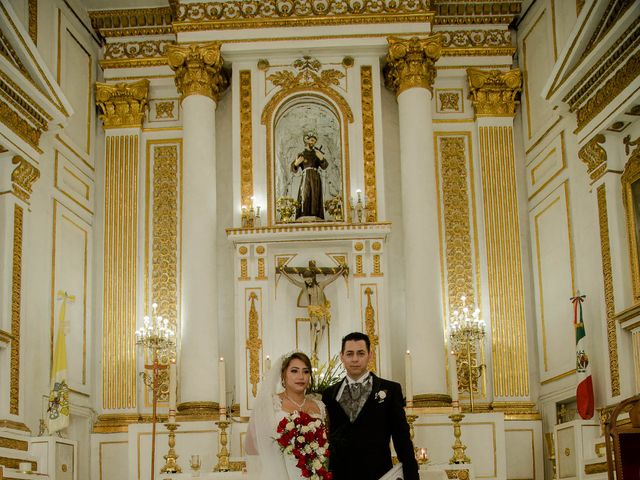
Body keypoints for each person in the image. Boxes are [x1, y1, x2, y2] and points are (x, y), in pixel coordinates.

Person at [322, 332, 420, 480]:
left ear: (370, 355)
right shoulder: (328, 394)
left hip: (379, 473)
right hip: (340, 474)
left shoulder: (390, 390)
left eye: (360, 353)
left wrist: (412, 476)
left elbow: (402, 439)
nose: (355, 359)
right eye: (349, 354)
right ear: (342, 356)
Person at [245, 352, 329, 479]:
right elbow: (252, 447)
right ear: (284, 375)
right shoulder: (270, 404)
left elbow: (326, 444)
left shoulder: (319, 406)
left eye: (305, 372)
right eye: (294, 371)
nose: (301, 376)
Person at [279, 260, 346, 366]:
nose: (308, 282)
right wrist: (283, 272)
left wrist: (341, 271)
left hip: (322, 310)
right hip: (313, 311)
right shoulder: (304, 287)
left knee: (323, 327)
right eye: (307, 280)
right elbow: (293, 281)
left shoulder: (321, 285)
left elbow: (332, 279)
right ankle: (313, 351)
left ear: (313, 278)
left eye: (310, 280)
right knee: (314, 325)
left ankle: (317, 348)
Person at [291, 133, 328, 220]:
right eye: (312, 140)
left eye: (314, 141)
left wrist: (321, 158)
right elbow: (293, 169)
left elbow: (325, 166)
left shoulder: (316, 154)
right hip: (306, 177)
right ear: (306, 140)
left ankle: (315, 215)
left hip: (315, 178)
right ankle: (304, 215)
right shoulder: (301, 154)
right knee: (305, 194)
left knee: (315, 195)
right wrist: (296, 163)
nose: (313, 143)